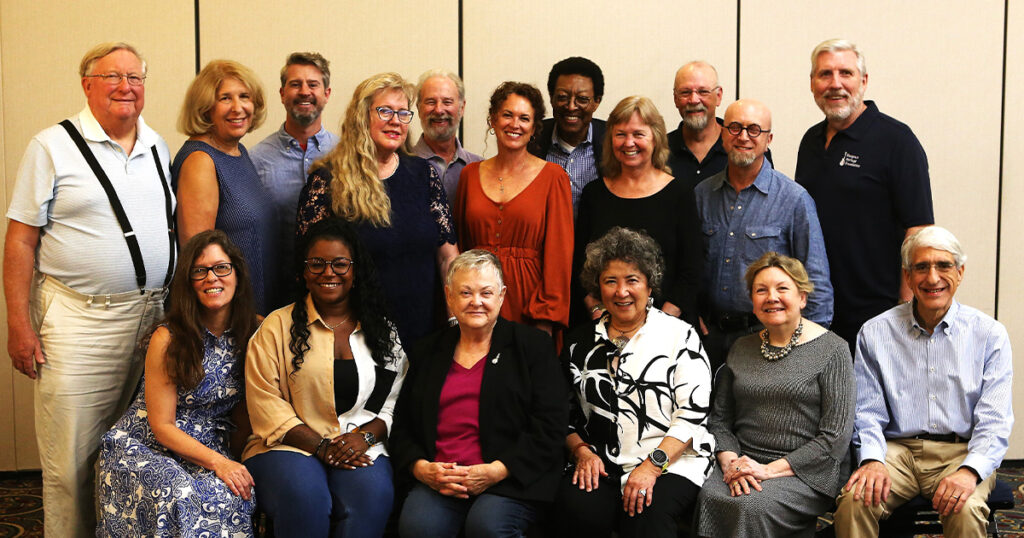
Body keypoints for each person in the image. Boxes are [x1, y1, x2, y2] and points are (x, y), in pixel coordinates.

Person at [3, 42, 174, 536]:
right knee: (71, 460)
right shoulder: (50, 146)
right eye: (113, 77)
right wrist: (19, 324)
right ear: (87, 85)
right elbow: (20, 241)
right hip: (80, 321)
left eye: (135, 78)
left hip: (151, 320)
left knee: (130, 454)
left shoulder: (157, 145)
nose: (126, 87)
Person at [833, 226, 1013, 538]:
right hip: (896, 452)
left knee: (966, 509)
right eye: (921, 267)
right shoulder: (876, 332)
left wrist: (970, 471)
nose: (932, 278)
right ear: (907, 275)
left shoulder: (989, 335)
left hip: (962, 451)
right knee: (855, 500)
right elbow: (867, 412)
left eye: (943, 266)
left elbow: (994, 421)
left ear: (960, 272)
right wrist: (872, 460)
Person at [244, 218, 408, 537]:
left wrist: (367, 436)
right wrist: (321, 447)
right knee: (305, 497)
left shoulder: (382, 331)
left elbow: (394, 398)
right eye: (316, 264)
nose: (328, 272)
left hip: (358, 444)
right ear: (304, 272)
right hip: (285, 447)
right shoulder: (276, 327)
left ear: (355, 270)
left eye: (339, 264)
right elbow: (266, 403)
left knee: (372, 495)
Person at [390, 249, 567, 537]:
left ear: (502, 295)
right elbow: (403, 426)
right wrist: (421, 469)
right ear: (449, 296)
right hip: (441, 479)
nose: (476, 302)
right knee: (418, 528)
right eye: (465, 293)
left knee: (486, 527)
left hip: (508, 477)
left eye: (486, 292)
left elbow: (551, 425)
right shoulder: (427, 351)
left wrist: (497, 470)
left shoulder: (532, 347)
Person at [97, 230, 258, 536]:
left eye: (221, 268)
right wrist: (219, 463)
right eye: (200, 271)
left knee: (232, 495)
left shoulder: (255, 330)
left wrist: (224, 461)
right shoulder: (168, 337)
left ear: (237, 274)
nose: (212, 278)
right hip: (146, 444)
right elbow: (162, 425)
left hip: (210, 442)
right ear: (188, 282)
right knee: (178, 494)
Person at [557, 227, 713, 538]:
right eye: (610, 281)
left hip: (671, 462)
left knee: (646, 516)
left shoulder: (678, 335)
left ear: (649, 284)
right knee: (576, 509)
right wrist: (582, 452)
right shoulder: (578, 342)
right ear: (598, 288)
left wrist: (652, 466)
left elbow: (692, 415)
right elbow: (562, 414)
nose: (621, 291)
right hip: (600, 462)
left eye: (632, 280)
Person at [696, 252, 855, 537]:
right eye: (761, 290)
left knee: (750, 505)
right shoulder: (740, 348)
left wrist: (766, 471)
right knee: (709, 496)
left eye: (782, 288)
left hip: (807, 472)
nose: (772, 297)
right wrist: (734, 466)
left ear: (802, 297)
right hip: (742, 462)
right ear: (753, 302)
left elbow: (834, 438)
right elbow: (720, 421)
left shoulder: (833, 351)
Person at [297, 72, 458, 348]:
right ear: (362, 116)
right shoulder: (328, 181)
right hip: (354, 341)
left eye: (403, 113)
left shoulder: (423, 175)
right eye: (385, 111)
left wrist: (456, 324)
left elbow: (448, 259)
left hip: (425, 335)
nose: (395, 121)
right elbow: (308, 271)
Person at [795, 38, 934, 349]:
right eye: (825, 74)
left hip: (878, 315)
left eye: (846, 73)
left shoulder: (897, 141)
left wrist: (906, 309)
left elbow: (919, 231)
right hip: (816, 311)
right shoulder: (810, 142)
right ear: (812, 84)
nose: (835, 84)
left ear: (864, 81)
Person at [695, 99, 832, 371]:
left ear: (768, 139)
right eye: (734, 127)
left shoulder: (794, 199)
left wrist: (806, 352)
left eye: (754, 130)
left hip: (768, 338)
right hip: (708, 339)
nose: (743, 136)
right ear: (722, 134)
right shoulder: (701, 194)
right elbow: (688, 264)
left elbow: (816, 281)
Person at [573, 96, 702, 329]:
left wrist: (657, 324)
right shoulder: (594, 194)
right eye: (620, 134)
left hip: (667, 327)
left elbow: (691, 269)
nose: (628, 143)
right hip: (603, 327)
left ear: (655, 138)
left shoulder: (679, 194)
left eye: (638, 134)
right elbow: (579, 266)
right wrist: (599, 314)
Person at [455, 81, 573, 335]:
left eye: (524, 118)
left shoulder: (554, 177)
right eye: (507, 115)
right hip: (477, 301)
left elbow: (559, 256)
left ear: (534, 128)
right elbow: (461, 247)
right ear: (493, 120)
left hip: (530, 306)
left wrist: (546, 318)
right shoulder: (469, 174)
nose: (514, 124)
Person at [173, 60, 279, 314]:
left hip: (256, 309)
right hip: (227, 316)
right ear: (206, 108)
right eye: (225, 98)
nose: (238, 107)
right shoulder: (200, 160)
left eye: (245, 97)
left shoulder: (238, 151)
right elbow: (199, 261)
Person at [250, 52, 338, 299]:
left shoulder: (346, 155)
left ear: (327, 94)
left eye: (313, 84)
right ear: (282, 94)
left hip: (335, 294)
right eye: (295, 84)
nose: (304, 92)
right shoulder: (255, 160)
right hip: (274, 292)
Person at [666, 61, 771, 191]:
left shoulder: (747, 147)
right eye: (685, 92)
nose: (693, 100)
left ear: (719, 96)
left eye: (703, 91)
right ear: (675, 98)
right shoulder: (658, 150)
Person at [529, 56, 605, 214]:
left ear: (596, 102)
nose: (571, 107)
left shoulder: (613, 141)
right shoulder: (531, 138)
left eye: (582, 99)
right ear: (551, 98)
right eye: (562, 97)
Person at [412, 69, 483, 209]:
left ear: (462, 108)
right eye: (431, 102)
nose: (439, 110)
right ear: (419, 108)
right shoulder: (401, 165)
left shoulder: (481, 169)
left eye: (447, 102)